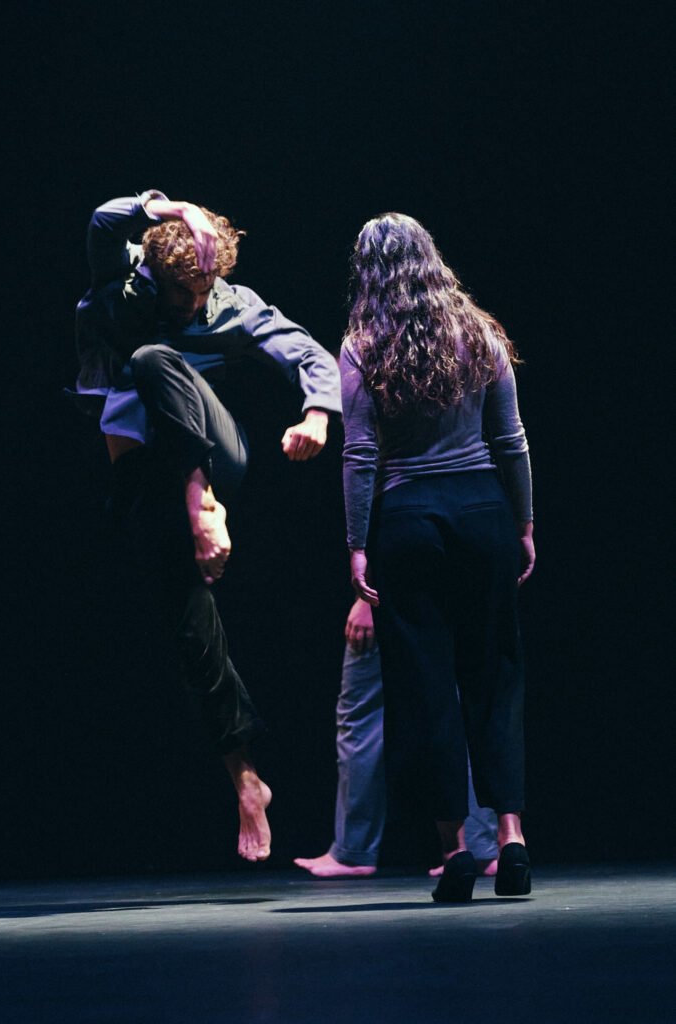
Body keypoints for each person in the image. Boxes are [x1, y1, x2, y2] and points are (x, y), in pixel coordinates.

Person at [72, 190, 342, 862]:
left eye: (204, 290)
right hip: (147, 478)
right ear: (154, 273)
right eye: (182, 292)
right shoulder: (124, 285)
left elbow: (312, 357)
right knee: (193, 632)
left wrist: (316, 415)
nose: (194, 304)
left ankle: (203, 507)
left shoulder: (235, 305)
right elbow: (103, 220)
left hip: (218, 461)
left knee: (150, 361)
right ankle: (246, 780)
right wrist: (173, 209)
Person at [342, 213, 534, 902]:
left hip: (407, 521)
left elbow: (361, 453)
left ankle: (454, 847)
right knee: (493, 676)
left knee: (424, 688)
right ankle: (509, 834)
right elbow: (510, 439)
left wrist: (357, 545)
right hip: (481, 510)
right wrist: (522, 522)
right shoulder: (478, 332)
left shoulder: (364, 343)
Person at [292, 598, 498, 879]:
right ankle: (477, 849)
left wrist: (365, 600)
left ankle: (354, 851)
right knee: (460, 716)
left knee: (361, 719)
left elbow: (380, 552)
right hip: (463, 597)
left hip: (396, 595)